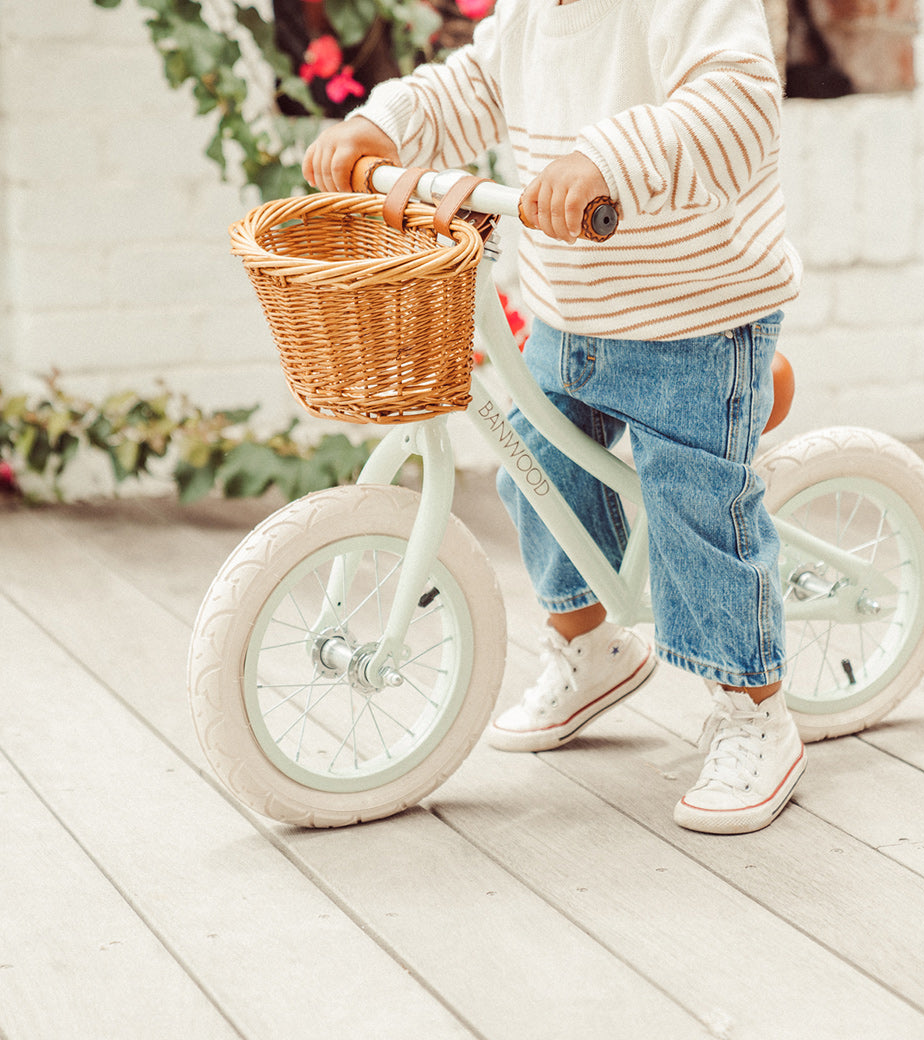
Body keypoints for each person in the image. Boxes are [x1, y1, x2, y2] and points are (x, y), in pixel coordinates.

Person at [303, 0, 805, 834]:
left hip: (693, 319)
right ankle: (594, 647)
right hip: (572, 313)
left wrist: (607, 156)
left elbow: (739, 104)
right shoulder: (534, 11)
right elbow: (472, 85)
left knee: (694, 507)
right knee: (537, 470)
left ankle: (757, 713)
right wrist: (384, 124)